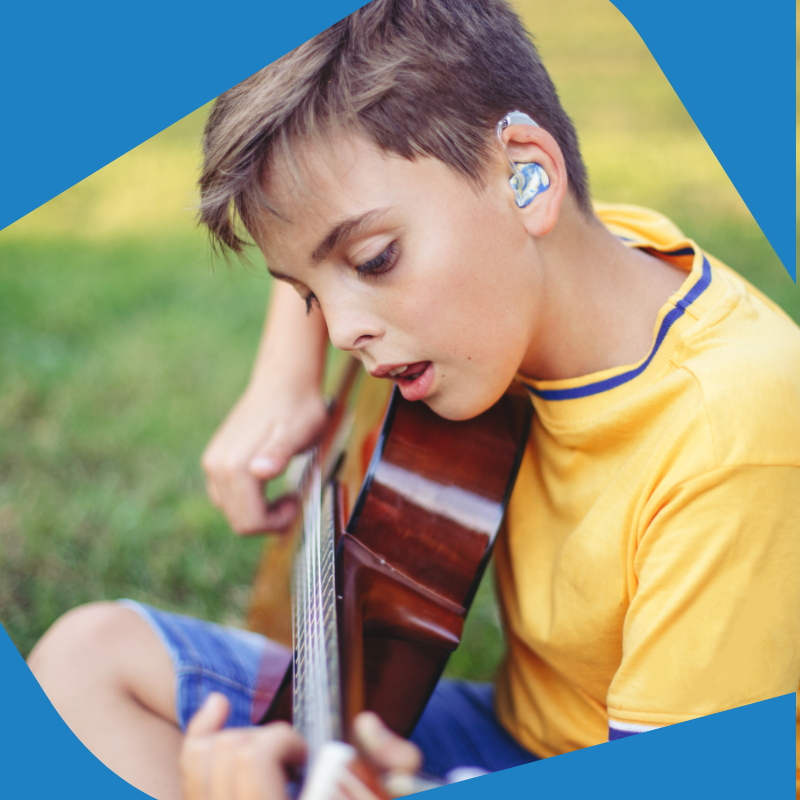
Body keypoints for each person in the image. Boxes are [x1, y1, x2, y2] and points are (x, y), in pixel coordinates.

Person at [28, 0, 800, 798]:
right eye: (306, 295)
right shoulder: (576, 258)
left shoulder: (734, 436)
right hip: (505, 727)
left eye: (375, 260)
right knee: (86, 658)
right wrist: (283, 375)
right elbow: (334, 202)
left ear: (528, 175)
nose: (342, 335)